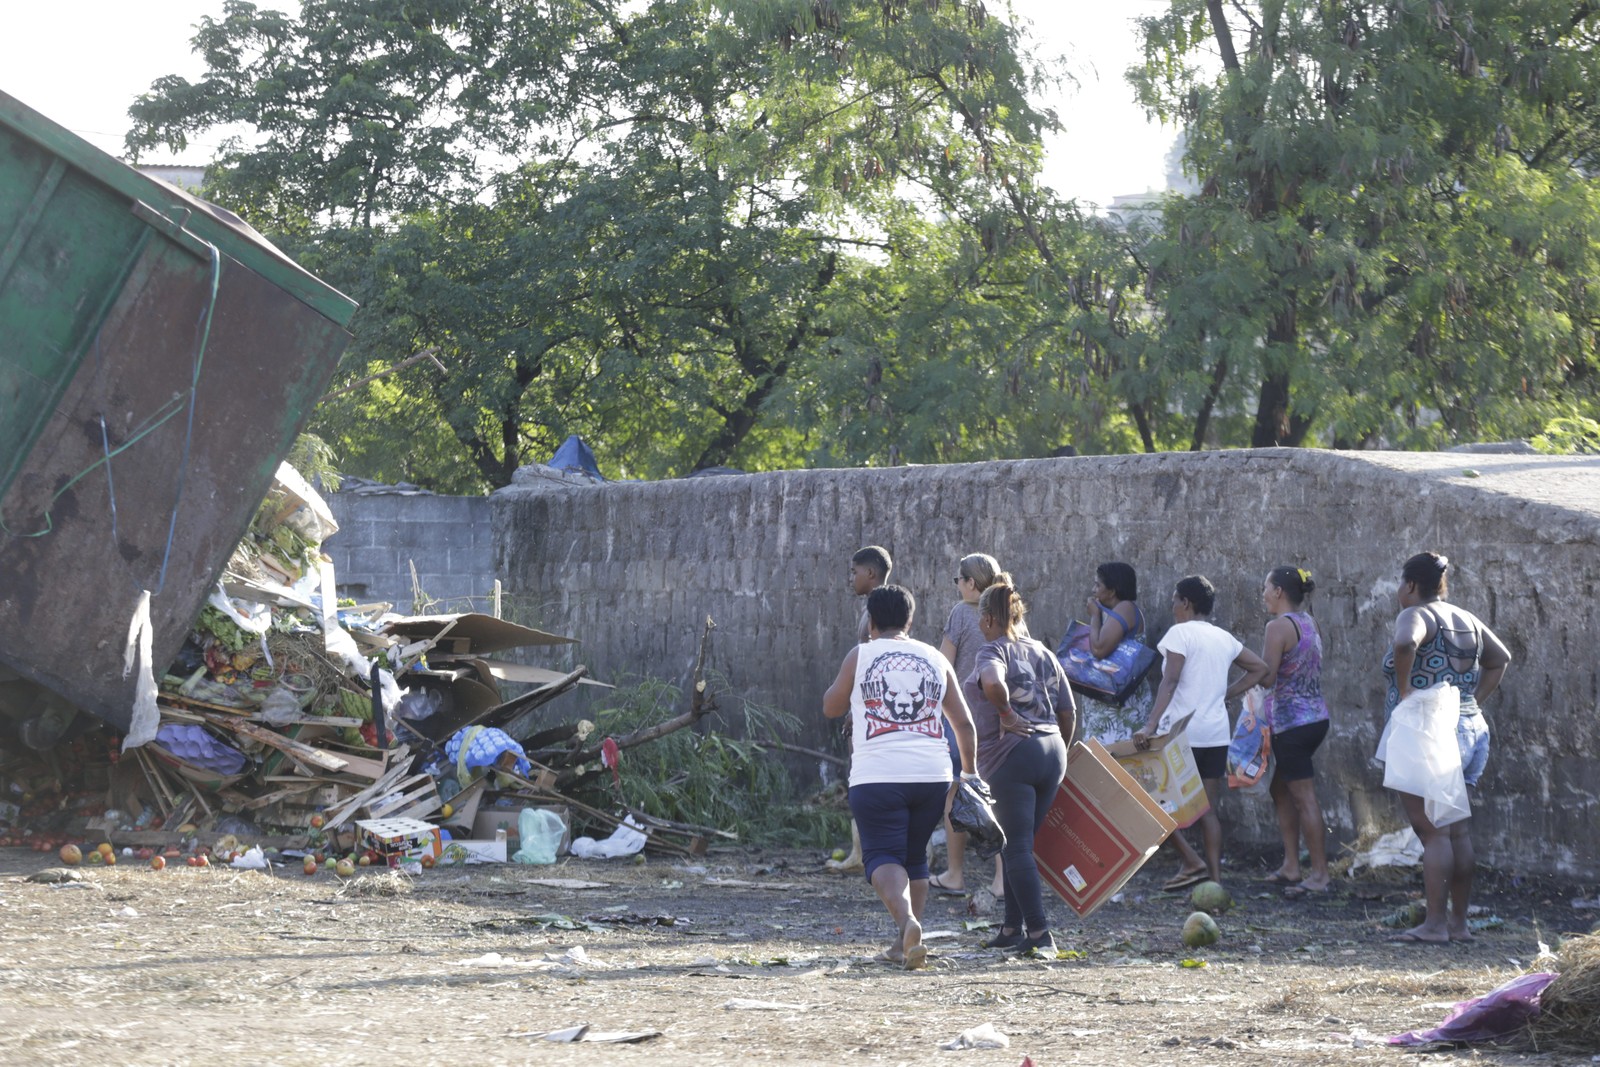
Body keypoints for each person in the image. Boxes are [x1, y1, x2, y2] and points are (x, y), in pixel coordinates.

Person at [823, 585, 980, 970]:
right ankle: (904, 943)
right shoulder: (933, 657)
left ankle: (907, 922)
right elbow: (963, 723)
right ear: (911, 620)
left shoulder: (861, 655)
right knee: (914, 858)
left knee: (881, 856)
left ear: (871, 621)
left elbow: (831, 706)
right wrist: (970, 775)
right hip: (933, 776)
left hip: (877, 775)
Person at [1382, 552, 1510, 945]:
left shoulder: (1414, 613)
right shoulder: (1466, 618)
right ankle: (1458, 924)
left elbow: (1406, 643)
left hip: (1430, 731)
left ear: (1409, 585)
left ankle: (1435, 925)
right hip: (1470, 727)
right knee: (1457, 833)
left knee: (1433, 832)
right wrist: (1472, 699)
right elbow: (1499, 658)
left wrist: (1406, 691)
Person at [1136, 575, 1269, 890]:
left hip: (1182, 734)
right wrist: (1226, 693)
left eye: (1174, 601)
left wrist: (1150, 725)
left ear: (1185, 602)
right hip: (1216, 734)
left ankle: (1191, 861)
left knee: (1151, 801)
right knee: (1207, 808)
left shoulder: (1180, 633)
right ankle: (1215, 882)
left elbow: (1169, 682)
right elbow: (1261, 669)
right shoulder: (1223, 638)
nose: (1172, 607)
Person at [966, 577, 1075, 956]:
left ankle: (1040, 934)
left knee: (1014, 848)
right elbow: (1068, 709)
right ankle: (1013, 928)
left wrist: (1007, 713)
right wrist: (1061, 747)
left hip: (1012, 756)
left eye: (980, 618)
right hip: (1051, 751)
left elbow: (993, 683)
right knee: (1019, 845)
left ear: (989, 620)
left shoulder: (991, 651)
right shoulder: (1043, 651)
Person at [928, 552, 1007, 899]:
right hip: (1001, 718)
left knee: (955, 792)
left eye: (958, 580)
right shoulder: (1008, 615)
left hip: (963, 718)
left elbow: (942, 665)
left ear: (971, 584)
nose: (957, 586)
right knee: (1002, 795)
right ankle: (1002, 880)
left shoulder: (962, 613)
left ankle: (955, 874)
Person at [1255, 566, 1332, 896]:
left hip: (1291, 723)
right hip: (1315, 718)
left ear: (1279, 592)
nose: (1263, 594)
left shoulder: (1277, 627)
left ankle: (1319, 875)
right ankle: (1291, 865)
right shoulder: (1309, 621)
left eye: (1266, 587)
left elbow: (1268, 678)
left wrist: (1244, 666)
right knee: (1280, 789)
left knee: (1304, 798)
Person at [829, 545, 895, 874]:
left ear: (870, 573)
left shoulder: (877, 610)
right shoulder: (885, 606)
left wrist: (855, 711)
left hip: (871, 714)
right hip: (878, 712)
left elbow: (869, 667)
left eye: (854, 572)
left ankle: (863, 852)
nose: (850, 578)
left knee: (865, 781)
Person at [1078, 562, 1153, 745]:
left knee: (1114, 763)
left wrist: (1095, 615)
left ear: (1112, 591)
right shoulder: (1114, 612)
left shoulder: (1125, 608)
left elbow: (1099, 649)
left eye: (1098, 585)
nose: (1093, 589)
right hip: (1110, 707)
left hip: (1120, 709)